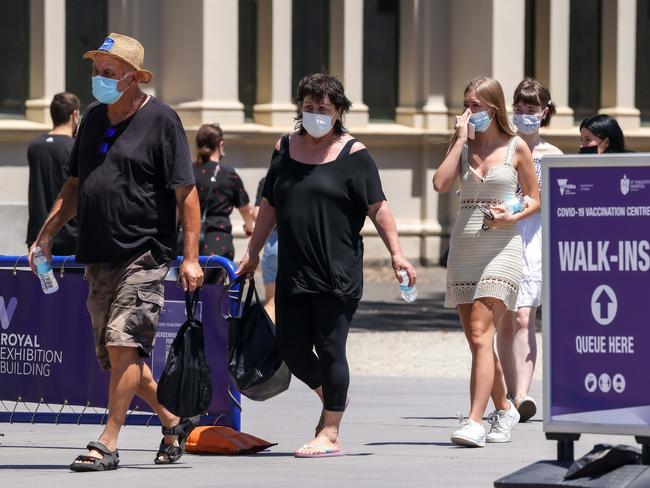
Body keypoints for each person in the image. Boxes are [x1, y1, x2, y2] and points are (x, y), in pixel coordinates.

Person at [28, 33, 203, 471]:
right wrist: (46, 235)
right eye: (96, 70)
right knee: (119, 356)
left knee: (124, 343)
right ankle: (173, 420)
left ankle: (108, 441)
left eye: (110, 71)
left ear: (133, 78)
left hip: (144, 252)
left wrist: (192, 256)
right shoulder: (90, 118)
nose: (100, 78)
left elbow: (187, 194)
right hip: (99, 255)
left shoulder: (162, 121)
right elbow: (73, 186)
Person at [237, 73, 416, 458]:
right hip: (293, 270)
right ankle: (334, 396)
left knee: (331, 347)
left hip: (337, 272)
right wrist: (252, 252)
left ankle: (330, 432)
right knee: (290, 347)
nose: (315, 114)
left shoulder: (354, 154)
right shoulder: (283, 148)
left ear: (338, 113)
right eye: (309, 107)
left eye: (324, 109)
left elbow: (378, 207)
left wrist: (397, 253)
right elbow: (269, 203)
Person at [433, 77, 540, 447]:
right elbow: (440, 184)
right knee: (478, 340)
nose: (468, 113)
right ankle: (506, 408)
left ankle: (475, 421)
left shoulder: (516, 147)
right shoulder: (461, 145)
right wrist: (460, 140)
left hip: (502, 249)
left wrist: (512, 217)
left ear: (494, 108)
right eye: (465, 105)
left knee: (480, 333)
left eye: (475, 106)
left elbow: (534, 199)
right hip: (464, 247)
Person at [496, 78, 563, 423]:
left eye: (531, 109)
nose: (523, 115)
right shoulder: (503, 149)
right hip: (505, 234)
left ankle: (522, 394)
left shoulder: (553, 156)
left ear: (544, 112)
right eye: (519, 109)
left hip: (535, 238)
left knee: (525, 316)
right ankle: (507, 392)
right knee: (504, 320)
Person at [192, 123, 255, 283]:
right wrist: (249, 227)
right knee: (213, 292)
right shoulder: (228, 175)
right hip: (218, 241)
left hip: (188, 240)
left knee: (185, 292)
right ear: (220, 144)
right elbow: (245, 209)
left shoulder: (187, 172)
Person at [26, 92, 80, 255]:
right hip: (72, 239)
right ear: (75, 114)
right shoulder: (75, 147)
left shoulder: (34, 146)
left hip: (38, 238)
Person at [253, 176, 278, 322]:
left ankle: (268, 341)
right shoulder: (304, 171)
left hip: (273, 243)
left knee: (271, 302)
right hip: (297, 244)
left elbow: (257, 213)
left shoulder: (267, 180)